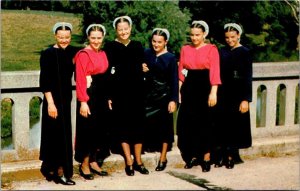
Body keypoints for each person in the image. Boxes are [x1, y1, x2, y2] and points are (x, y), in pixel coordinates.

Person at [104, 16, 149, 176]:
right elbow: (107, 72)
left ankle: (138, 161)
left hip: (137, 92)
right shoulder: (110, 47)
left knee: (138, 127)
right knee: (123, 127)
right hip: (119, 93)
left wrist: (145, 68)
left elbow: (144, 64)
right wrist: (109, 95)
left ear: (130, 29)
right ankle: (128, 162)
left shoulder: (137, 45)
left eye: (126, 28)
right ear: (116, 30)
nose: (123, 32)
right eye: (120, 29)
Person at [177, 20, 221, 172]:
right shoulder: (185, 49)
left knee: (205, 122)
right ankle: (192, 155)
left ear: (204, 34)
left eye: (197, 35)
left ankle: (207, 157)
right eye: (192, 35)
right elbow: (182, 71)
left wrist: (213, 92)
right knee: (189, 123)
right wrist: (179, 90)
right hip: (189, 88)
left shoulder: (211, 49)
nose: (194, 38)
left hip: (205, 87)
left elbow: (215, 70)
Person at [39, 22, 79, 185]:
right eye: (61, 37)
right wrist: (50, 103)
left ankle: (57, 169)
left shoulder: (72, 52)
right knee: (53, 136)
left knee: (63, 136)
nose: (64, 40)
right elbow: (45, 81)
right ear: (55, 36)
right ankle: (58, 172)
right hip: (53, 101)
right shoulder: (47, 53)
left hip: (65, 100)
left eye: (67, 37)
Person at [214, 23, 252, 169]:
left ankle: (231, 156)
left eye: (232, 37)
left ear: (238, 36)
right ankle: (221, 156)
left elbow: (248, 77)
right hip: (223, 92)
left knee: (234, 126)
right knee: (222, 125)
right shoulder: (222, 51)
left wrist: (245, 99)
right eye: (227, 38)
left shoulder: (245, 52)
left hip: (237, 93)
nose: (229, 40)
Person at [74, 24, 110, 180]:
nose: (96, 41)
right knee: (88, 130)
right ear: (88, 37)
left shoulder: (102, 53)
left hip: (101, 96)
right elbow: (81, 79)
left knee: (100, 130)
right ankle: (85, 164)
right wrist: (83, 101)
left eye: (99, 38)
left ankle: (95, 161)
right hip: (89, 96)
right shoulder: (83, 54)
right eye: (93, 38)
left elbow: (106, 77)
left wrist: (108, 97)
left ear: (103, 37)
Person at [142, 28, 179, 171]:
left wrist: (173, 100)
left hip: (164, 96)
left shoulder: (170, 58)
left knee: (165, 127)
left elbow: (174, 81)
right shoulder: (146, 53)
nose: (156, 44)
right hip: (148, 96)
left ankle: (163, 157)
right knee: (144, 121)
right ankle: (146, 148)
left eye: (159, 42)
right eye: (154, 41)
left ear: (165, 42)